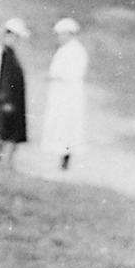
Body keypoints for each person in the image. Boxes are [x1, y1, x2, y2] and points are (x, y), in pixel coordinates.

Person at [43, 17, 88, 171]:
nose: (59, 38)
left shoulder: (77, 51)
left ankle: (65, 158)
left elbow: (73, 74)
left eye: (61, 34)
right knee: (58, 124)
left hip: (69, 94)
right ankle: (57, 155)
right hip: (59, 93)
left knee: (67, 126)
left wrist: (56, 76)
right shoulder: (64, 50)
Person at [0, 18, 30, 163]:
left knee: (10, 132)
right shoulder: (4, 54)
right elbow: (5, 79)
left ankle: (6, 161)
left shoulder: (10, 53)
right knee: (3, 132)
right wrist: (6, 100)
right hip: (6, 100)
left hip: (12, 99)